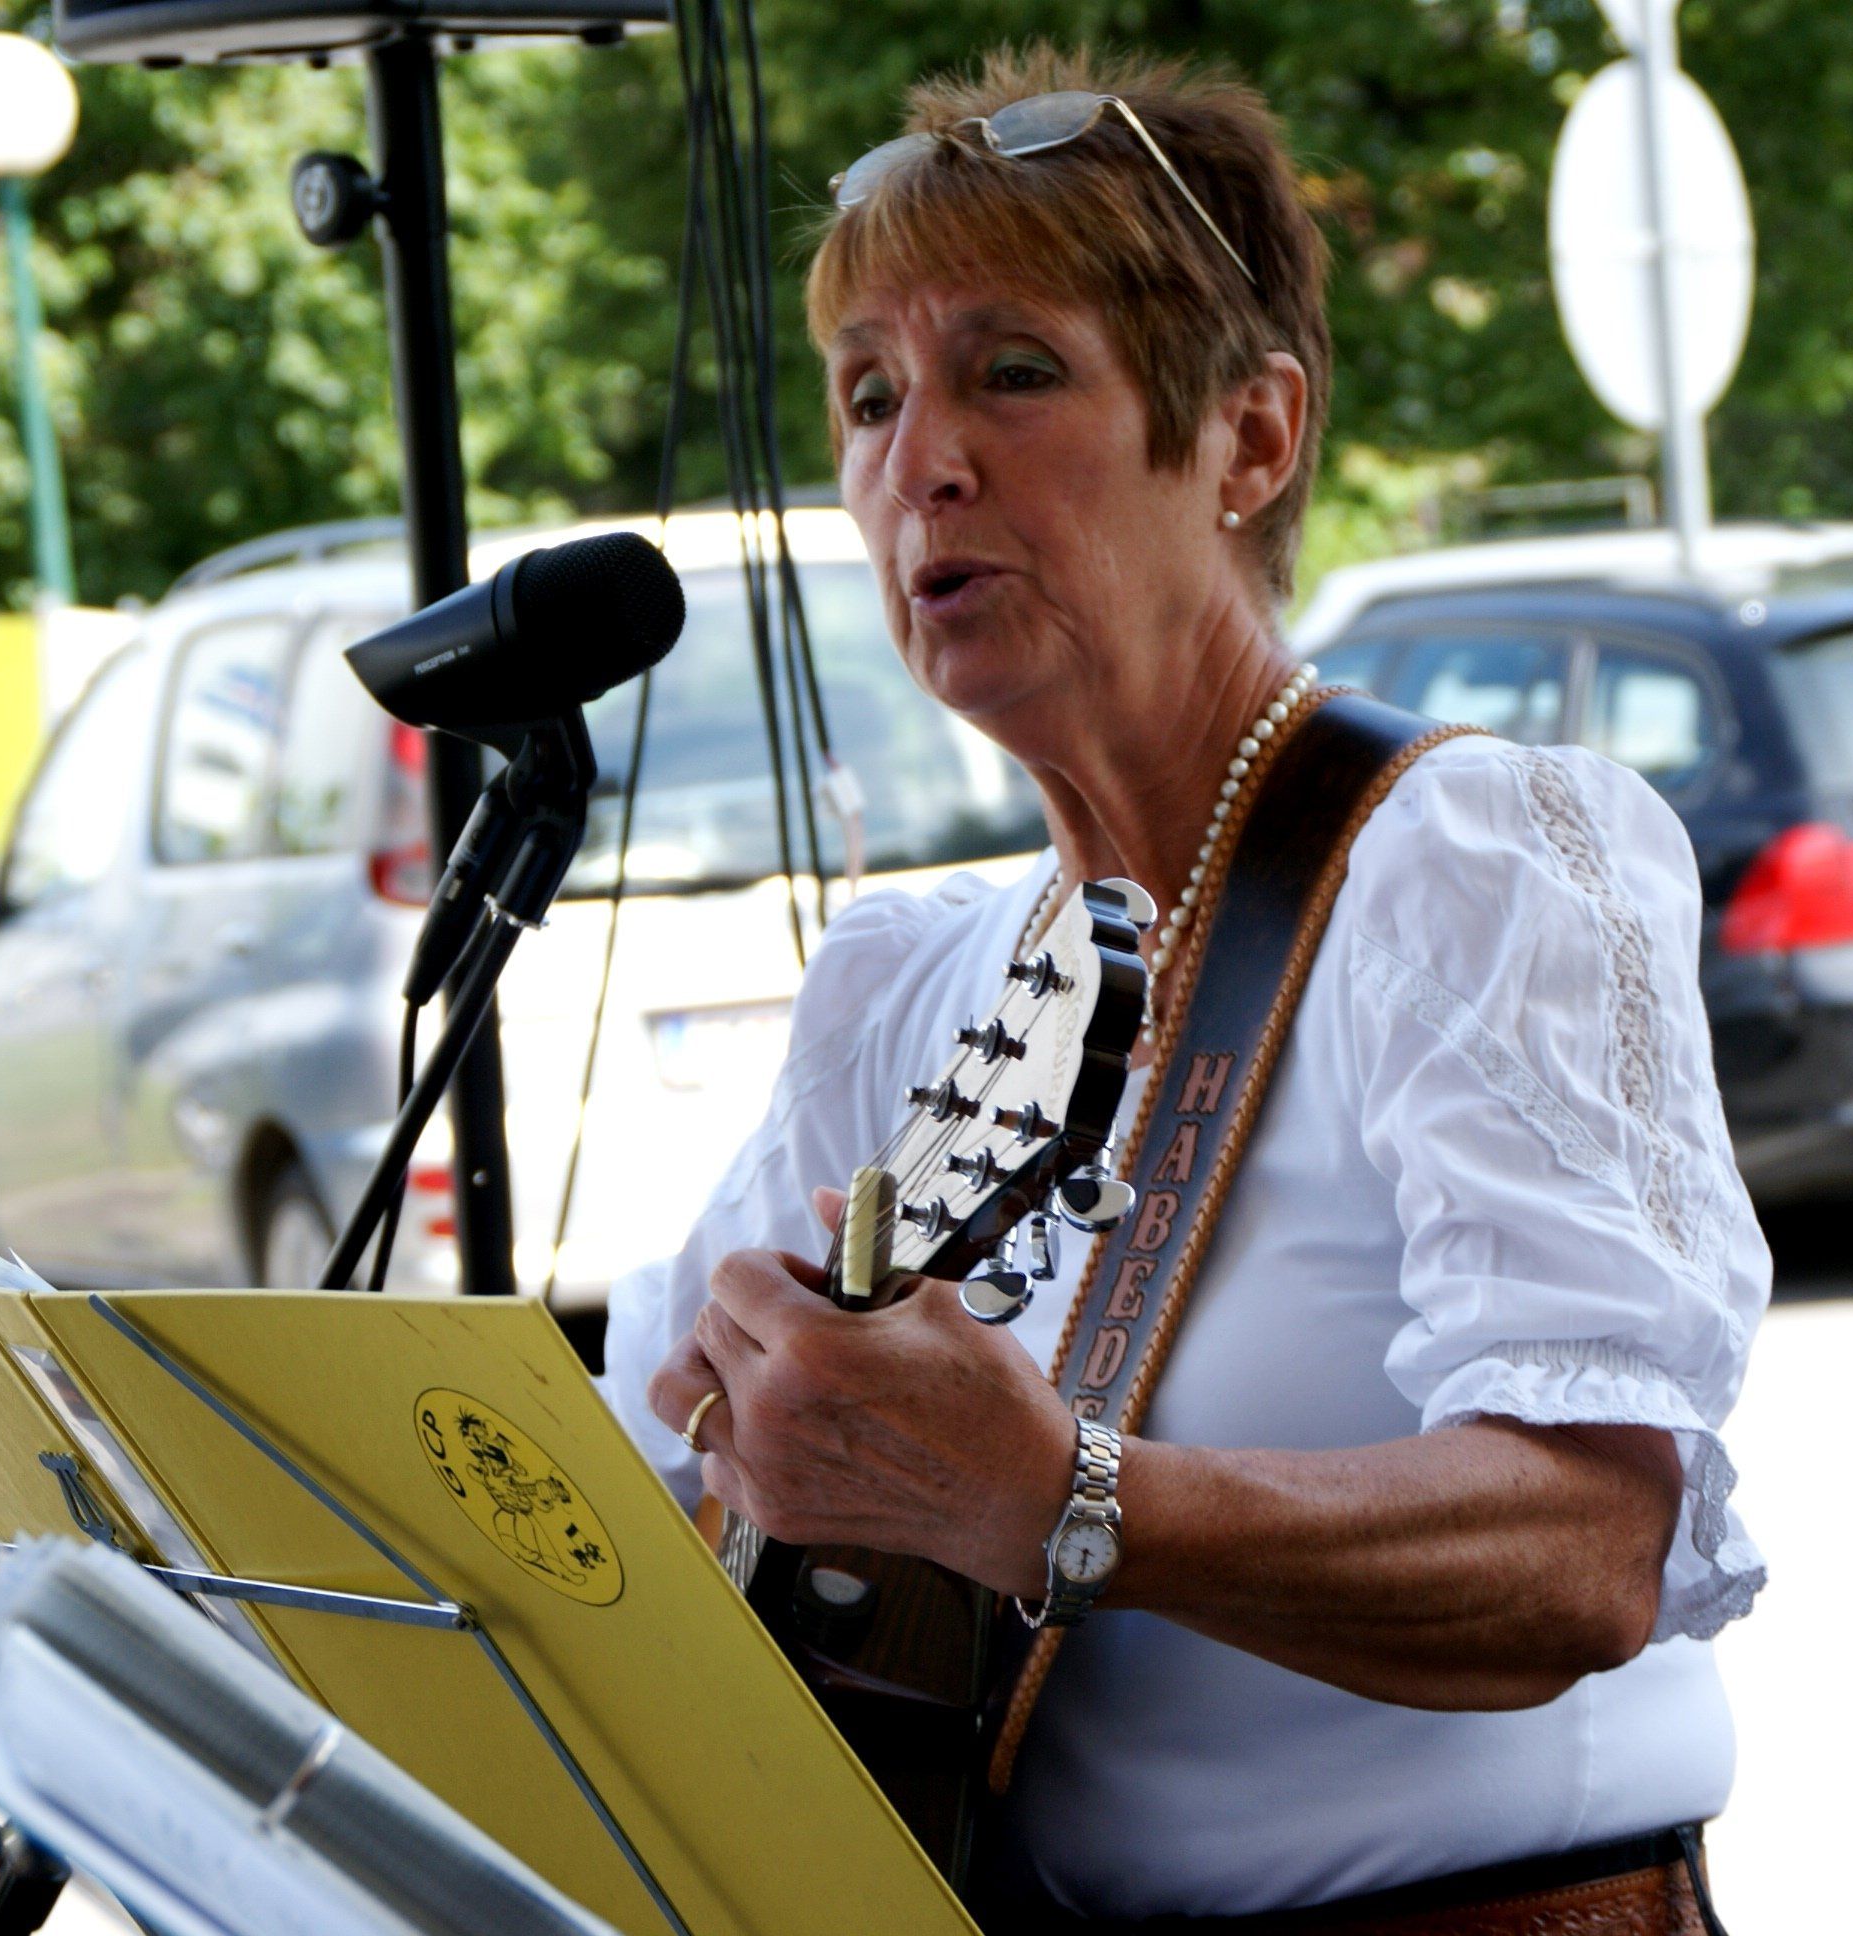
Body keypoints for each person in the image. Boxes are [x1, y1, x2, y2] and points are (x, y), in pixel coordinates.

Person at [602, 46, 1767, 1931]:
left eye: (1013, 371)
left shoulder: (1458, 861)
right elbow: (633, 1488)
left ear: (1250, 437)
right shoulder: (912, 982)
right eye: (870, 394)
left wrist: (1057, 1497)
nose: (920, 463)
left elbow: (1585, 1546)